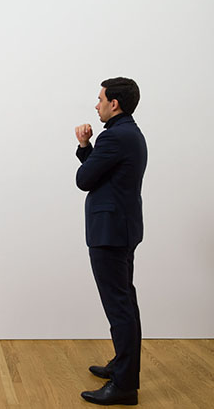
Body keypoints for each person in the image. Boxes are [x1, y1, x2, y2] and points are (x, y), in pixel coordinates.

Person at [74, 77, 147, 406]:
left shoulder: (114, 137)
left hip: (110, 232)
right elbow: (103, 175)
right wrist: (90, 152)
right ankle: (123, 366)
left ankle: (124, 385)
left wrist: (85, 147)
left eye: (100, 98)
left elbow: (85, 179)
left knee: (119, 308)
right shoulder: (131, 133)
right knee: (125, 303)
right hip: (123, 228)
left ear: (114, 103)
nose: (96, 104)